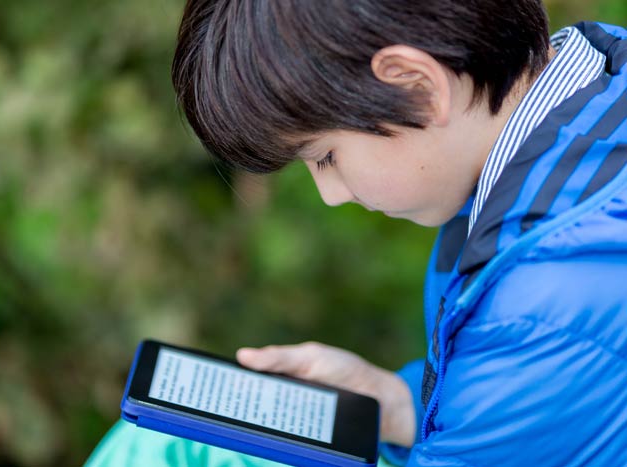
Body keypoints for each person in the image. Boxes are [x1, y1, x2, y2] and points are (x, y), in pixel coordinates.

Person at [85, 1, 627, 465]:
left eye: (325, 157)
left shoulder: (542, 303)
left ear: (416, 86)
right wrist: (393, 403)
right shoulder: (598, 95)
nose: (331, 192)